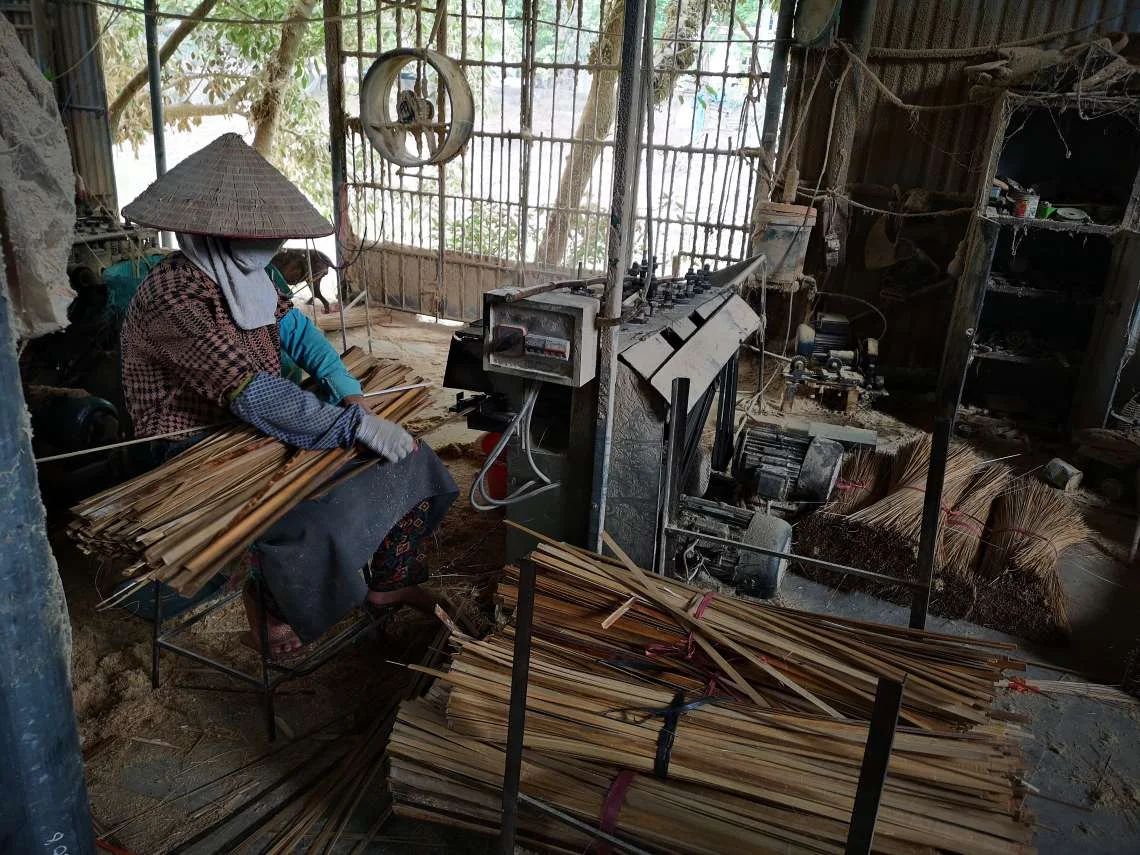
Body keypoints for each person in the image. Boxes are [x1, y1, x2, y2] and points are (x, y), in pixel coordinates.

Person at [119, 133, 457, 655]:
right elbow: (252, 394)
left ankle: (388, 585)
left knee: (410, 461)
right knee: (312, 519)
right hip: (199, 445)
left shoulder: (246, 272)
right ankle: (268, 602)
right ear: (212, 233)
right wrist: (354, 428)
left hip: (268, 418)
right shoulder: (174, 299)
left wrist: (350, 396)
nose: (271, 242)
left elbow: (296, 332)